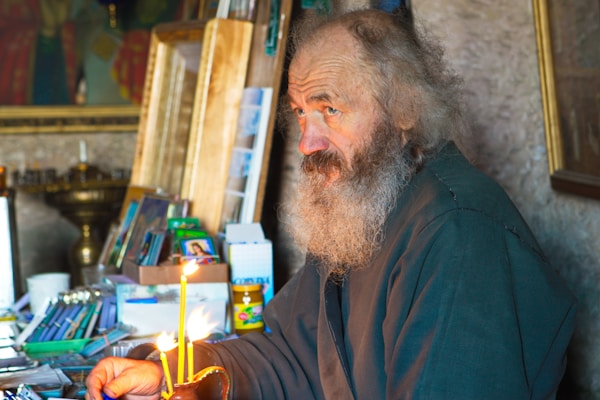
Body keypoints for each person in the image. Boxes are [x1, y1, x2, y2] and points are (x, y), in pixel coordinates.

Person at [86, 8, 576, 400]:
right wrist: (172, 375)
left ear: (405, 109)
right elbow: (290, 354)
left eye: (330, 110)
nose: (306, 143)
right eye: (301, 113)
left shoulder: (459, 236)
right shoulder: (363, 202)